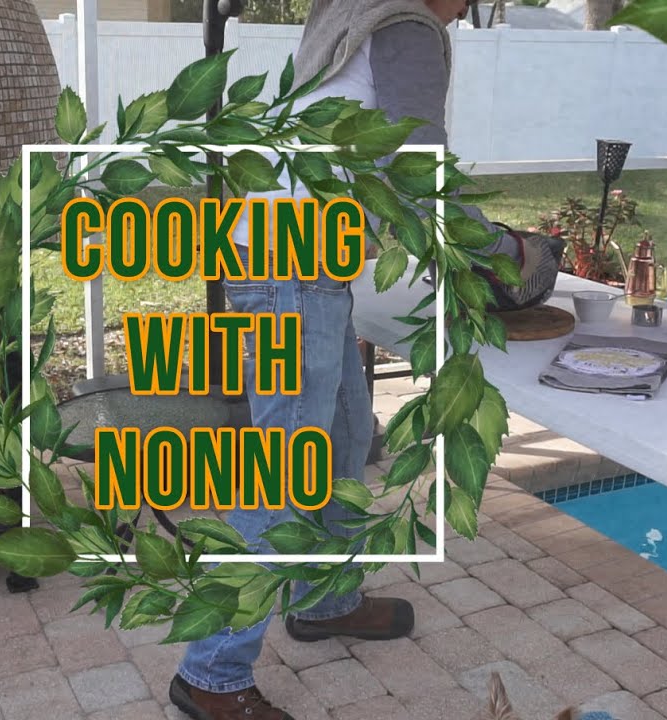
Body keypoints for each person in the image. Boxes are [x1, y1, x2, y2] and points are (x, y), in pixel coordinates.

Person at [170, 2, 535, 718]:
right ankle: (210, 673)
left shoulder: (357, 12)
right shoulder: (406, 25)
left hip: (296, 257)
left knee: (345, 434)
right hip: (290, 265)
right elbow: (416, 169)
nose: (467, 10)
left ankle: (325, 598)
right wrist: (506, 250)